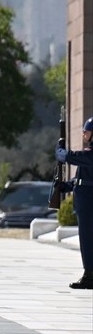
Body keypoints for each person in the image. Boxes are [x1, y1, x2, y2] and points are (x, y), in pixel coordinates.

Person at [56, 118, 93, 289]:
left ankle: (89, 275)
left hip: (89, 203)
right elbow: (81, 179)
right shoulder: (88, 154)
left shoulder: (90, 155)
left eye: (87, 131)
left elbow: (69, 157)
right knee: (86, 240)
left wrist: (60, 152)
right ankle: (89, 273)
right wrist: (66, 186)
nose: (83, 133)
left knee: (87, 240)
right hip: (85, 202)